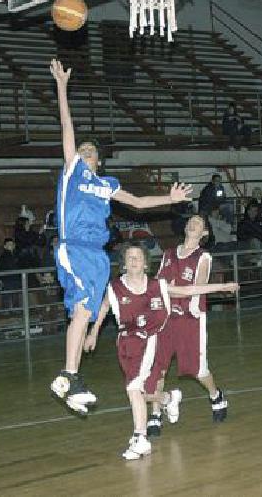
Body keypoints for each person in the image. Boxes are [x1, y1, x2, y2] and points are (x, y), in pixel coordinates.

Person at [48, 59, 193, 416]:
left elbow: (139, 202)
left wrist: (171, 199)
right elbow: (67, 125)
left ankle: (71, 377)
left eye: (89, 152)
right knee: (81, 310)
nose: (83, 154)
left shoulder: (106, 185)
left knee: (83, 313)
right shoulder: (71, 173)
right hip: (75, 247)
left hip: (98, 255)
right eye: (80, 151)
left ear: (98, 160)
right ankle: (68, 375)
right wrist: (62, 88)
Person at [83, 242, 238, 458]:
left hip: (150, 341)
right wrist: (93, 332)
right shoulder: (115, 287)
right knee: (141, 392)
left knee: (134, 388)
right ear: (123, 264)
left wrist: (220, 287)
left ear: (146, 263)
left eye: (138, 257)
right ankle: (167, 399)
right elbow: (104, 307)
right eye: (130, 257)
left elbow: (187, 290)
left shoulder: (158, 286)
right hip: (126, 343)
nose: (134, 260)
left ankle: (140, 438)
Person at [140, 216, 240, 436]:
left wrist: (174, 290)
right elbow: (157, 285)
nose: (193, 224)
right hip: (165, 318)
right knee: (159, 367)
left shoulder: (202, 256)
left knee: (197, 370)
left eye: (199, 223)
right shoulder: (167, 254)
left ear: (204, 233)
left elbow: (199, 286)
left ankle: (216, 395)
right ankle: (155, 414)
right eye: (191, 221)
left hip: (190, 318)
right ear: (185, 227)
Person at [0, 238, 21, 310]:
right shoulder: (3, 256)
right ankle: (5, 310)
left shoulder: (17, 255)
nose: (11, 246)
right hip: (7, 279)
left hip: (16, 278)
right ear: (5, 246)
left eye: (12, 244)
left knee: (16, 295)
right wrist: (1, 279)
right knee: (7, 295)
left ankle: (16, 309)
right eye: (9, 244)